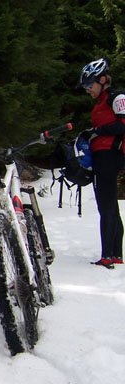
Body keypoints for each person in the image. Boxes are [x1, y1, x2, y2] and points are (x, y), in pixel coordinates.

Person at [78, 58, 125, 269]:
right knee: (110, 206)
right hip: (101, 155)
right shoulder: (102, 102)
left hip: (110, 155)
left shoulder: (117, 97)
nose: (87, 90)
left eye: (89, 85)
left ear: (103, 79)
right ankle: (115, 254)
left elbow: (122, 126)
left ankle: (108, 256)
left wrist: (97, 132)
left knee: (106, 205)